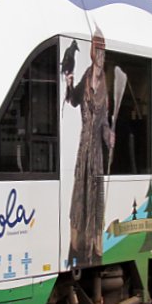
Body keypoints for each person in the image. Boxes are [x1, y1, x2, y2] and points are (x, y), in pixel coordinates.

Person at [66, 28, 115, 268]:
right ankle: (76, 246)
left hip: (95, 153)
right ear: (93, 53)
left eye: (104, 52)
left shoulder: (106, 86)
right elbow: (74, 100)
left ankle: (94, 247)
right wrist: (69, 84)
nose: (101, 56)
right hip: (82, 149)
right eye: (98, 51)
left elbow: (104, 122)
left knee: (95, 200)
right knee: (79, 197)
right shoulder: (86, 76)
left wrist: (109, 136)